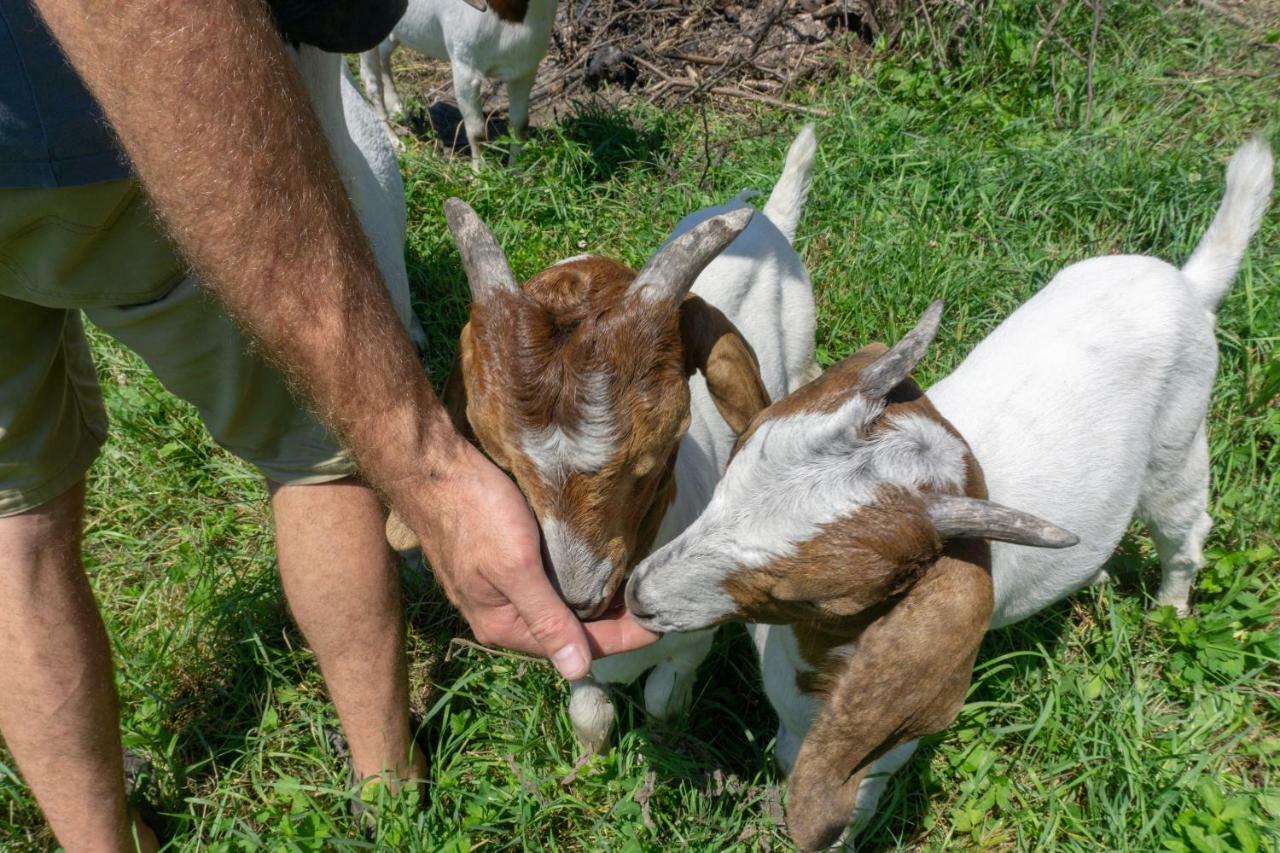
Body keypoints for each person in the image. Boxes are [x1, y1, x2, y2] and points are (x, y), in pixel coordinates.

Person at [0, 0, 657, 849]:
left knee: (15, 519)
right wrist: (427, 465)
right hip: (123, 127)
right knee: (324, 451)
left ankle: (98, 841)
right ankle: (389, 786)